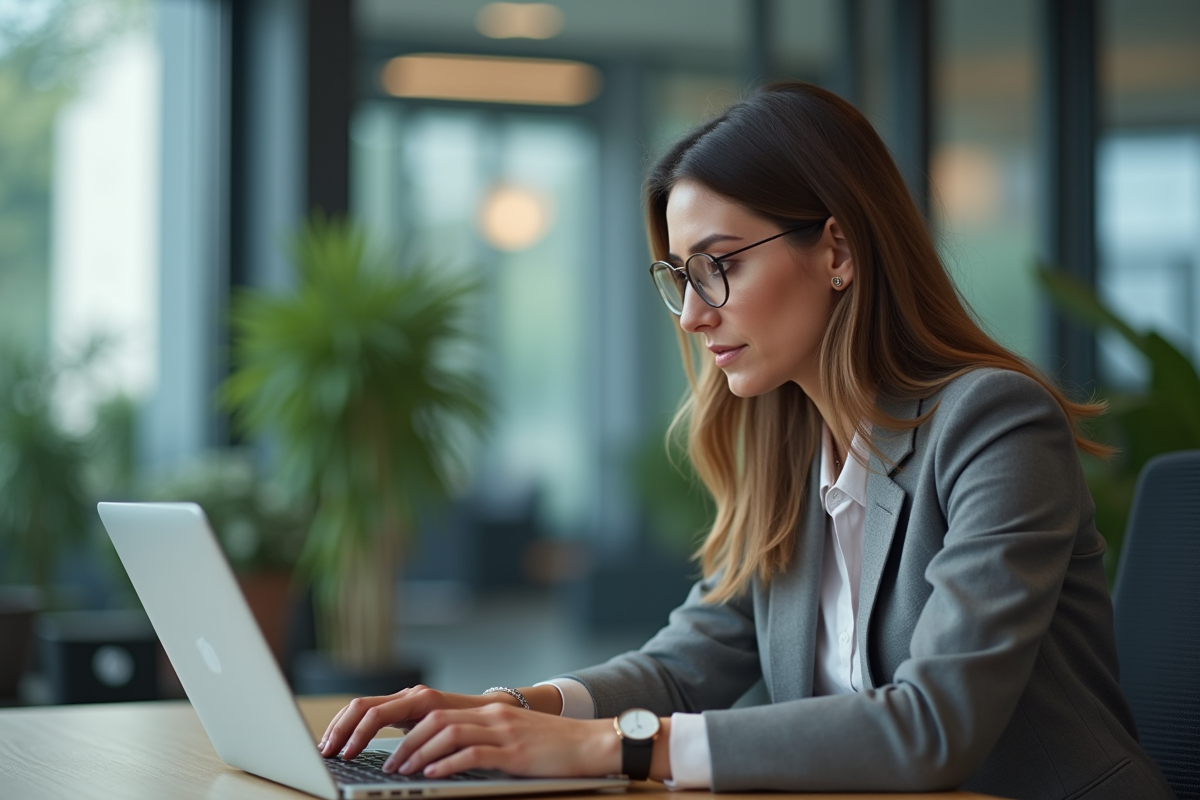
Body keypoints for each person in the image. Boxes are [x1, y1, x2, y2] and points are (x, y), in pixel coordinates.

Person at [317, 81, 1174, 799]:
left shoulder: (992, 423)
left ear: (836, 247)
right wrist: (509, 709)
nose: (692, 315)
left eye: (719, 264)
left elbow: (935, 722)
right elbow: (688, 665)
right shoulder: (793, 449)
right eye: (680, 277)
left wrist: (615, 748)